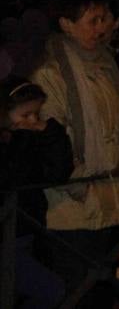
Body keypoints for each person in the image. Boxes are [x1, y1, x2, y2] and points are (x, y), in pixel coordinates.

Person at [30, 0, 119, 309]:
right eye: (92, 21)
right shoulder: (50, 75)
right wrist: (83, 179)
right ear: (66, 24)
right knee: (78, 293)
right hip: (74, 205)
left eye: (104, 19)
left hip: (113, 196)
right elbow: (53, 144)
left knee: (104, 292)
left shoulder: (107, 68)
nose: (101, 28)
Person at [1, 76, 75, 309]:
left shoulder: (33, 139)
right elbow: (12, 176)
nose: (32, 122)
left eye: (36, 114)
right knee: (51, 289)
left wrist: (51, 134)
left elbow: (56, 172)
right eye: (25, 116)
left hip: (27, 230)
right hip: (6, 235)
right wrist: (23, 139)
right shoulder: (14, 143)